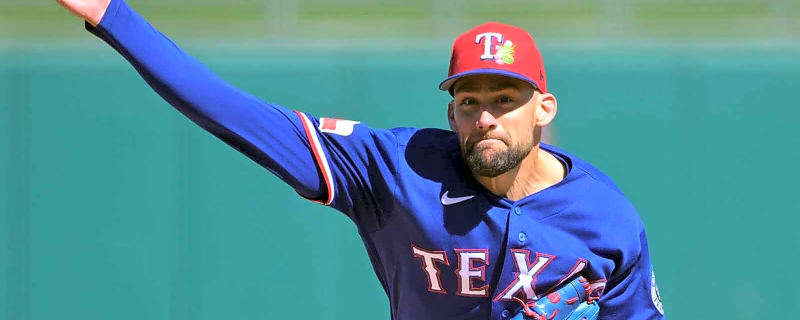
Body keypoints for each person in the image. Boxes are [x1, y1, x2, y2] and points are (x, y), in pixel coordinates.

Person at [56, 0, 665, 319]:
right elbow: (239, 115)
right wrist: (115, 17)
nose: (485, 116)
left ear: (544, 108)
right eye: (468, 99)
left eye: (505, 99)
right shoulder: (397, 168)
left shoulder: (606, 219)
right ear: (451, 111)